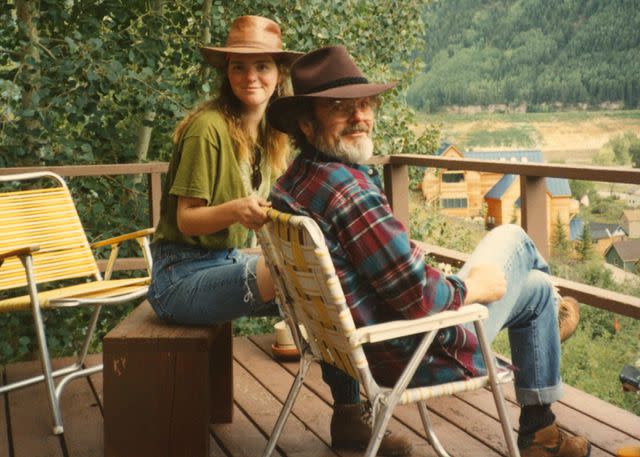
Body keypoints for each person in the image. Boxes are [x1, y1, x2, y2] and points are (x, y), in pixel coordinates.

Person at [266, 45, 589, 457]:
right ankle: (543, 409)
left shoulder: (292, 184)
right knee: (515, 240)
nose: (360, 117)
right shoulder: (350, 193)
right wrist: (470, 288)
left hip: (353, 349)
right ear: (307, 125)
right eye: (339, 108)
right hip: (414, 351)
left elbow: (389, 275)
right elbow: (420, 298)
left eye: (364, 104)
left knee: (537, 287)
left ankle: (543, 416)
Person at [147, 18, 412, 457]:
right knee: (317, 283)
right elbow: (188, 220)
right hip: (179, 278)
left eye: (263, 67)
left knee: (328, 285)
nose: (251, 78)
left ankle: (350, 414)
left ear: (279, 75)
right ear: (226, 72)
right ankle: (363, 405)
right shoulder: (207, 128)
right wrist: (237, 209)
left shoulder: (270, 131)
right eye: (239, 67)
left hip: (224, 260)